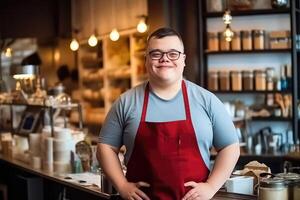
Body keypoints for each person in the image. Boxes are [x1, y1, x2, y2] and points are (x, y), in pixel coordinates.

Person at [97, 27, 240, 200]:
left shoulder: (207, 100)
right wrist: (121, 185)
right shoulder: (126, 102)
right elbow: (105, 147)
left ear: (184, 60)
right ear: (146, 60)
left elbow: (230, 147)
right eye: (156, 53)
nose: (165, 59)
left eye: (173, 53)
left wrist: (211, 186)